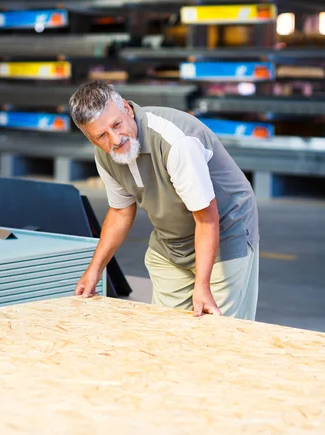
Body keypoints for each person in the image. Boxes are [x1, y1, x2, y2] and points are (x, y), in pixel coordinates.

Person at [69, 80, 259, 319]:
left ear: (127, 109)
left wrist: (202, 287)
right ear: (90, 138)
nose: (115, 139)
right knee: (167, 329)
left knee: (217, 334)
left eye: (117, 125)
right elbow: (120, 212)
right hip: (172, 241)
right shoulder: (106, 156)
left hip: (224, 231)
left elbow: (207, 218)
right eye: (102, 136)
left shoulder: (177, 142)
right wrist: (94, 271)